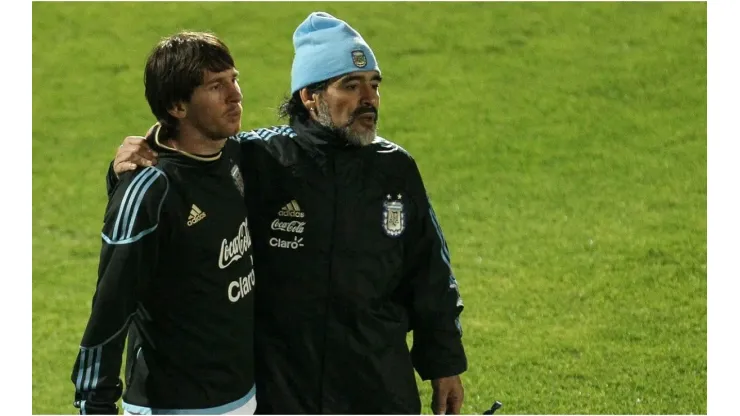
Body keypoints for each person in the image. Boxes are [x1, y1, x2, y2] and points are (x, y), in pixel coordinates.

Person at [111, 12, 466, 414]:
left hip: (377, 385)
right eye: (350, 85)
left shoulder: (396, 168)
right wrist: (135, 159)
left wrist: (445, 365)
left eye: (374, 84)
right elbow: (187, 160)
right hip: (284, 389)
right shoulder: (258, 159)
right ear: (309, 97)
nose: (369, 99)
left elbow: (431, 274)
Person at [71, 31, 258, 415]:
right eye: (216, 86)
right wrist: (96, 404)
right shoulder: (151, 191)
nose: (235, 94)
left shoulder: (236, 155)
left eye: (234, 80)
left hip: (242, 395)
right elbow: (109, 310)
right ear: (177, 105)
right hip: (173, 404)